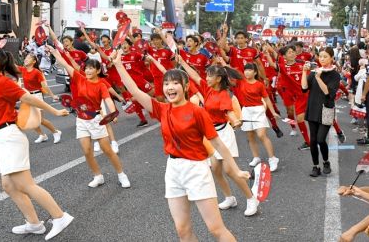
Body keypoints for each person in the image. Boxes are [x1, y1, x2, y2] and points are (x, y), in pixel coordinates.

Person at [112, 48, 248, 241]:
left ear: (185, 87)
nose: (170, 87)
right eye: (167, 83)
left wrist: (236, 169)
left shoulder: (197, 112)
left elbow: (217, 143)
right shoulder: (161, 109)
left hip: (196, 170)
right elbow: (134, 90)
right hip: (173, 169)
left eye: (176, 83)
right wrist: (118, 64)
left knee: (216, 229)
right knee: (182, 230)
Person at [0, 29, 73, 240]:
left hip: (10, 136)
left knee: (26, 184)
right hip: (0, 137)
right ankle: (34, 224)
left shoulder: (4, 83)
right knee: (8, 185)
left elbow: (29, 98)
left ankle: (60, 216)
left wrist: (54, 111)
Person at [178, 56, 259, 216]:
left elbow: (228, 112)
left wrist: (235, 120)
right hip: (211, 134)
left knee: (230, 170)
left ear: (218, 78)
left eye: (209, 76)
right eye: (207, 75)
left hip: (224, 134)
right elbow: (194, 75)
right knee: (215, 169)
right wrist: (181, 61)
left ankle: (251, 199)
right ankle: (230, 197)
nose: (206, 78)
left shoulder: (224, 94)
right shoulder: (207, 89)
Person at [48, 46, 131, 189]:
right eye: (86, 68)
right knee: (86, 151)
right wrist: (55, 52)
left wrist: (113, 113)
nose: (87, 71)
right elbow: (65, 64)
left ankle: (121, 174)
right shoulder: (79, 78)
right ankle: (98, 176)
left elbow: (109, 100)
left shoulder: (101, 85)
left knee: (107, 150)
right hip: (81, 119)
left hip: (96, 120)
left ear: (98, 70)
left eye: (91, 68)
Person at [233, 62, 280, 171]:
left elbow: (267, 98)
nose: (247, 72)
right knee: (250, 136)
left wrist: (273, 112)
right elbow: (232, 72)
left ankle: (273, 159)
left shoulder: (259, 84)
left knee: (261, 135)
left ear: (255, 72)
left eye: (249, 70)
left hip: (258, 110)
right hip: (246, 110)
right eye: (245, 70)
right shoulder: (241, 81)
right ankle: (256, 157)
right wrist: (222, 63)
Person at [301, 47, 340, 177]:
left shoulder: (335, 74)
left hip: (326, 109)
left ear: (332, 58)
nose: (322, 59)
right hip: (312, 108)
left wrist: (318, 77)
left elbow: (328, 92)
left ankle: (326, 161)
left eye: (325, 56)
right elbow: (304, 88)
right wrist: (304, 72)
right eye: (320, 56)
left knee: (320, 139)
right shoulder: (314, 72)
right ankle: (315, 166)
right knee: (313, 140)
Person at [18, 53, 62, 144]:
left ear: (34, 62)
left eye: (28, 58)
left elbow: (44, 86)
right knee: (31, 119)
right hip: (28, 96)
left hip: (37, 95)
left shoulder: (37, 72)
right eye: (25, 57)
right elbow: (11, 65)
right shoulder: (23, 69)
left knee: (41, 120)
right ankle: (42, 135)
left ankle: (56, 132)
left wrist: (52, 95)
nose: (26, 59)